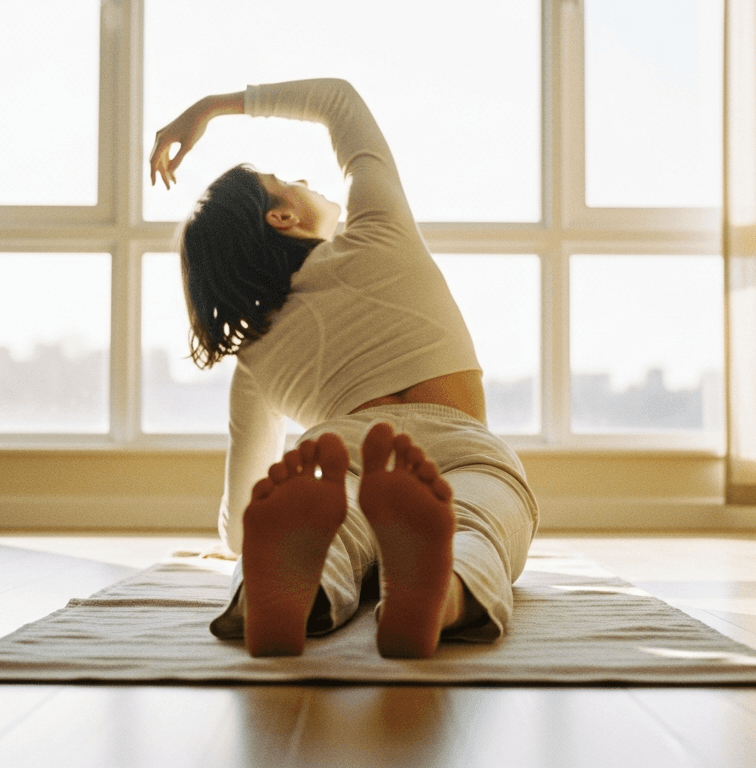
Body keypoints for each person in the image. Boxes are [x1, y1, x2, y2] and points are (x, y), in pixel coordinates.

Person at [149, 78, 537, 659]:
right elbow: (339, 100)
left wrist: (237, 538)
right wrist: (210, 107)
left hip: (343, 450)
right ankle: (440, 595)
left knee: (334, 530)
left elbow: (240, 508)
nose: (304, 181)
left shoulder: (256, 353)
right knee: (480, 523)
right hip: (460, 446)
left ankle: (276, 593)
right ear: (282, 216)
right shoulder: (379, 228)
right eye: (286, 182)